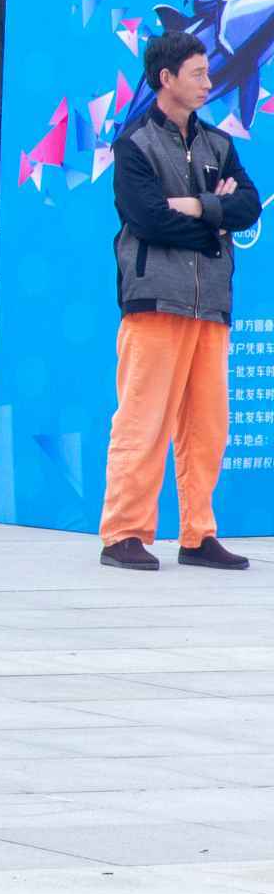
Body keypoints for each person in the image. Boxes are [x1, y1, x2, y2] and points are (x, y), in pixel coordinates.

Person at [100, 29, 261, 572]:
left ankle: (197, 533)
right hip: (156, 302)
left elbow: (250, 208)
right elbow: (146, 219)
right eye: (198, 73)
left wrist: (195, 210)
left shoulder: (219, 143)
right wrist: (213, 217)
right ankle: (124, 533)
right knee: (143, 421)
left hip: (210, 305)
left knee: (207, 426)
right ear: (166, 78)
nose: (208, 82)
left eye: (208, 73)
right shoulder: (135, 145)